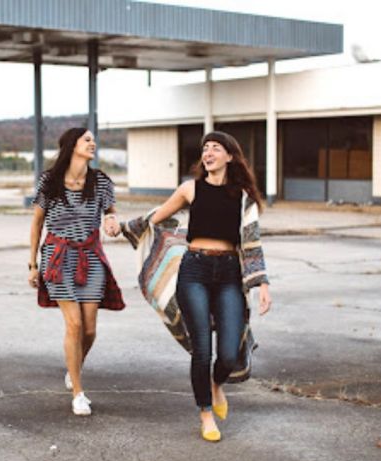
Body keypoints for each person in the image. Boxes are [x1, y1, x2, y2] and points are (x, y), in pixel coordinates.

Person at [148, 131, 271, 442]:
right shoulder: (190, 189)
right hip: (194, 271)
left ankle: (217, 384)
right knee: (202, 349)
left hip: (229, 273)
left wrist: (262, 284)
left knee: (228, 353)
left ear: (230, 156)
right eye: (205, 148)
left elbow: (252, 244)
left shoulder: (243, 196)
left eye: (216, 147)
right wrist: (127, 228)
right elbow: (156, 219)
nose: (209, 152)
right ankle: (205, 413)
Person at [27, 127, 125, 416]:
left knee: (90, 328)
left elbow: (111, 213)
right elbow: (36, 224)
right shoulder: (49, 181)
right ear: (71, 145)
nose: (92, 143)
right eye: (87, 139)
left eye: (93, 140)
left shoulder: (101, 182)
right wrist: (33, 264)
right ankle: (78, 392)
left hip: (91, 256)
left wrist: (111, 222)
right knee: (74, 325)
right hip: (57, 257)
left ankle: (74, 367)